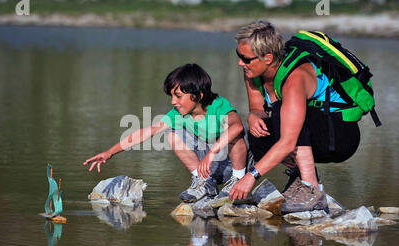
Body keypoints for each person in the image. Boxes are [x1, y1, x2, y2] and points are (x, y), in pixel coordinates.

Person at [229, 20, 360, 213]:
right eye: (239, 55)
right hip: (308, 133)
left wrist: (250, 177)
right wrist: (253, 116)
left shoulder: (294, 79)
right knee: (257, 134)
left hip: (340, 137)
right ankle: (299, 176)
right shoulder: (252, 72)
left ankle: (310, 188)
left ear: (267, 58)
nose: (241, 62)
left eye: (246, 58)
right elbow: (257, 108)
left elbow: (288, 142)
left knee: (283, 112)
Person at [84, 63, 253, 203]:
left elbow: (237, 127)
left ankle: (237, 181)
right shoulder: (178, 114)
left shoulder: (218, 105)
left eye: (178, 96)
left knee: (233, 133)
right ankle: (203, 183)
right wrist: (110, 152)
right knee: (172, 133)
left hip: (236, 163)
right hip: (208, 167)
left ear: (198, 95)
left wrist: (212, 152)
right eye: (172, 96)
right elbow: (148, 132)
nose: (173, 102)